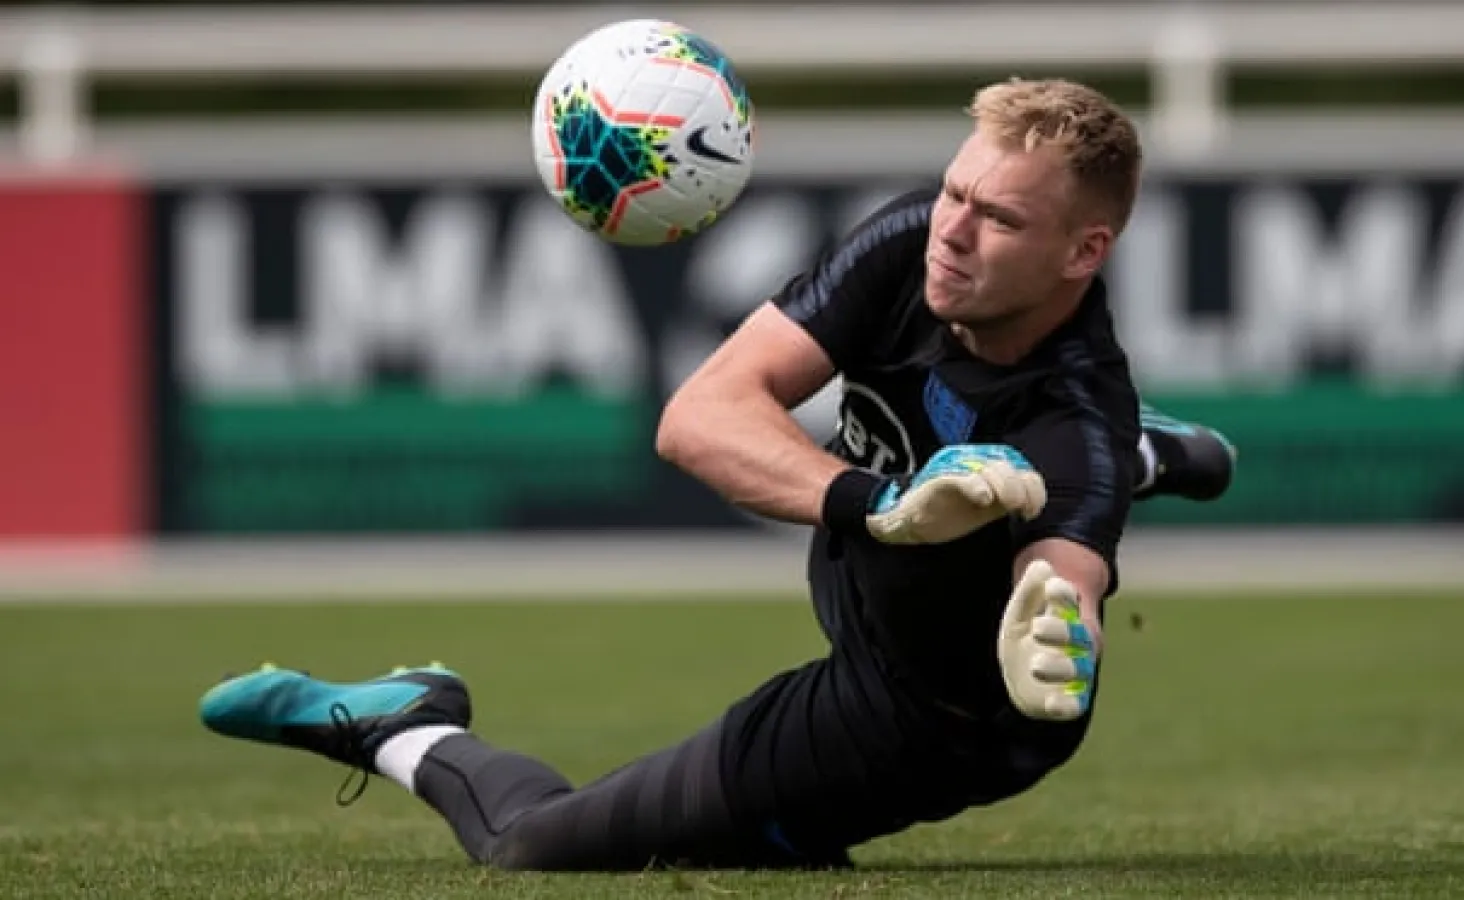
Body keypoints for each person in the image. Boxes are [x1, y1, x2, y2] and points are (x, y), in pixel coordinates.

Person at [198, 77, 1235, 871]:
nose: (954, 229)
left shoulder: (1072, 426)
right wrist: (882, 505)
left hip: (913, 718)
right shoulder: (916, 242)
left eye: (999, 219)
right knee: (984, 480)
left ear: (1082, 252)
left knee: (532, 846)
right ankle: (1171, 453)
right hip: (876, 554)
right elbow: (698, 417)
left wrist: (1062, 642)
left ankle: (402, 723)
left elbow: (1067, 583)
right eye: (958, 190)